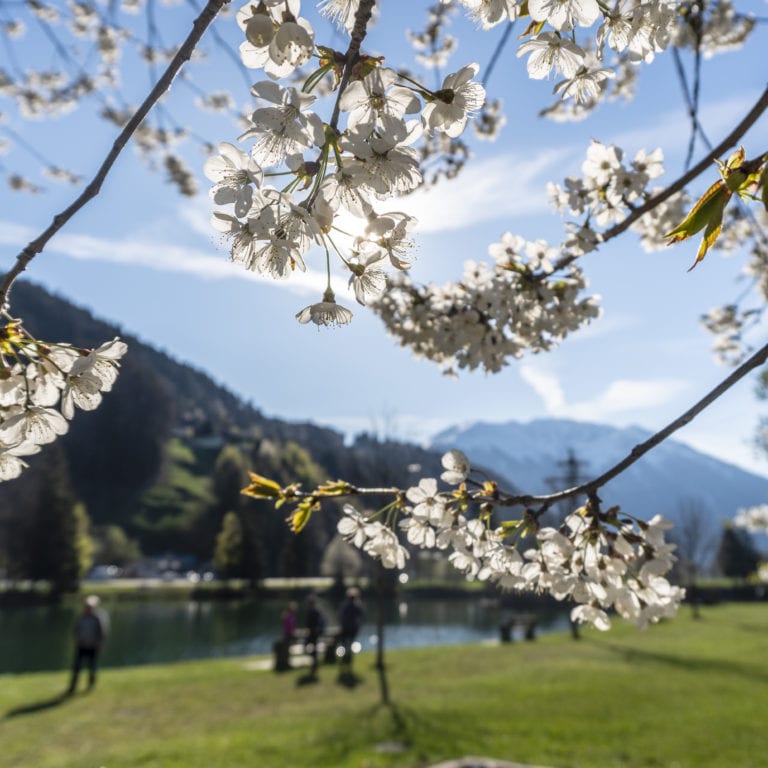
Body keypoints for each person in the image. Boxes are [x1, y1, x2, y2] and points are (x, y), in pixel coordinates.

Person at [67, 595, 108, 695]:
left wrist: (99, 644)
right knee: (76, 667)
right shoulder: (81, 617)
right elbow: (75, 630)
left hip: (92, 646)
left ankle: (90, 686)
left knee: (92, 667)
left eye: (90, 606)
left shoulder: (98, 618)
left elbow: (102, 633)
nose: (87, 608)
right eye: (86, 606)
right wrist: (76, 641)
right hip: (81, 646)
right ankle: (72, 687)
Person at [337, 587, 364, 666]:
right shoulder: (357, 606)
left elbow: (339, 615)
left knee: (345, 644)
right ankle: (348, 659)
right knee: (349, 644)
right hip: (353, 628)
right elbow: (362, 616)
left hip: (346, 628)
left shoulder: (345, 605)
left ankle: (346, 659)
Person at [304, 594, 326, 675]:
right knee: (314, 647)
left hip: (312, 632)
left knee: (308, 646)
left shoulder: (311, 611)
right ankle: (315, 662)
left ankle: (314, 662)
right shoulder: (317, 611)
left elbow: (308, 623)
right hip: (316, 633)